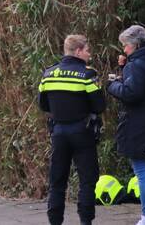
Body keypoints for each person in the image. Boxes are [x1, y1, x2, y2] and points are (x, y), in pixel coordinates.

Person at [38, 34, 105, 225]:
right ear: (78, 51)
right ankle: (85, 221)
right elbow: (99, 106)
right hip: (82, 132)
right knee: (87, 180)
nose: (89, 55)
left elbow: (43, 105)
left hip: (58, 132)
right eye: (87, 50)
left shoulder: (48, 74)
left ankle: (55, 222)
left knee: (57, 181)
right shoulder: (88, 74)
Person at [106, 25, 145, 225]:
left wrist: (112, 85)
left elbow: (131, 94)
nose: (124, 50)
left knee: (141, 171)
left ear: (136, 44)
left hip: (138, 124)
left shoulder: (137, 65)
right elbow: (143, 85)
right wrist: (125, 69)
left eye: (125, 46)